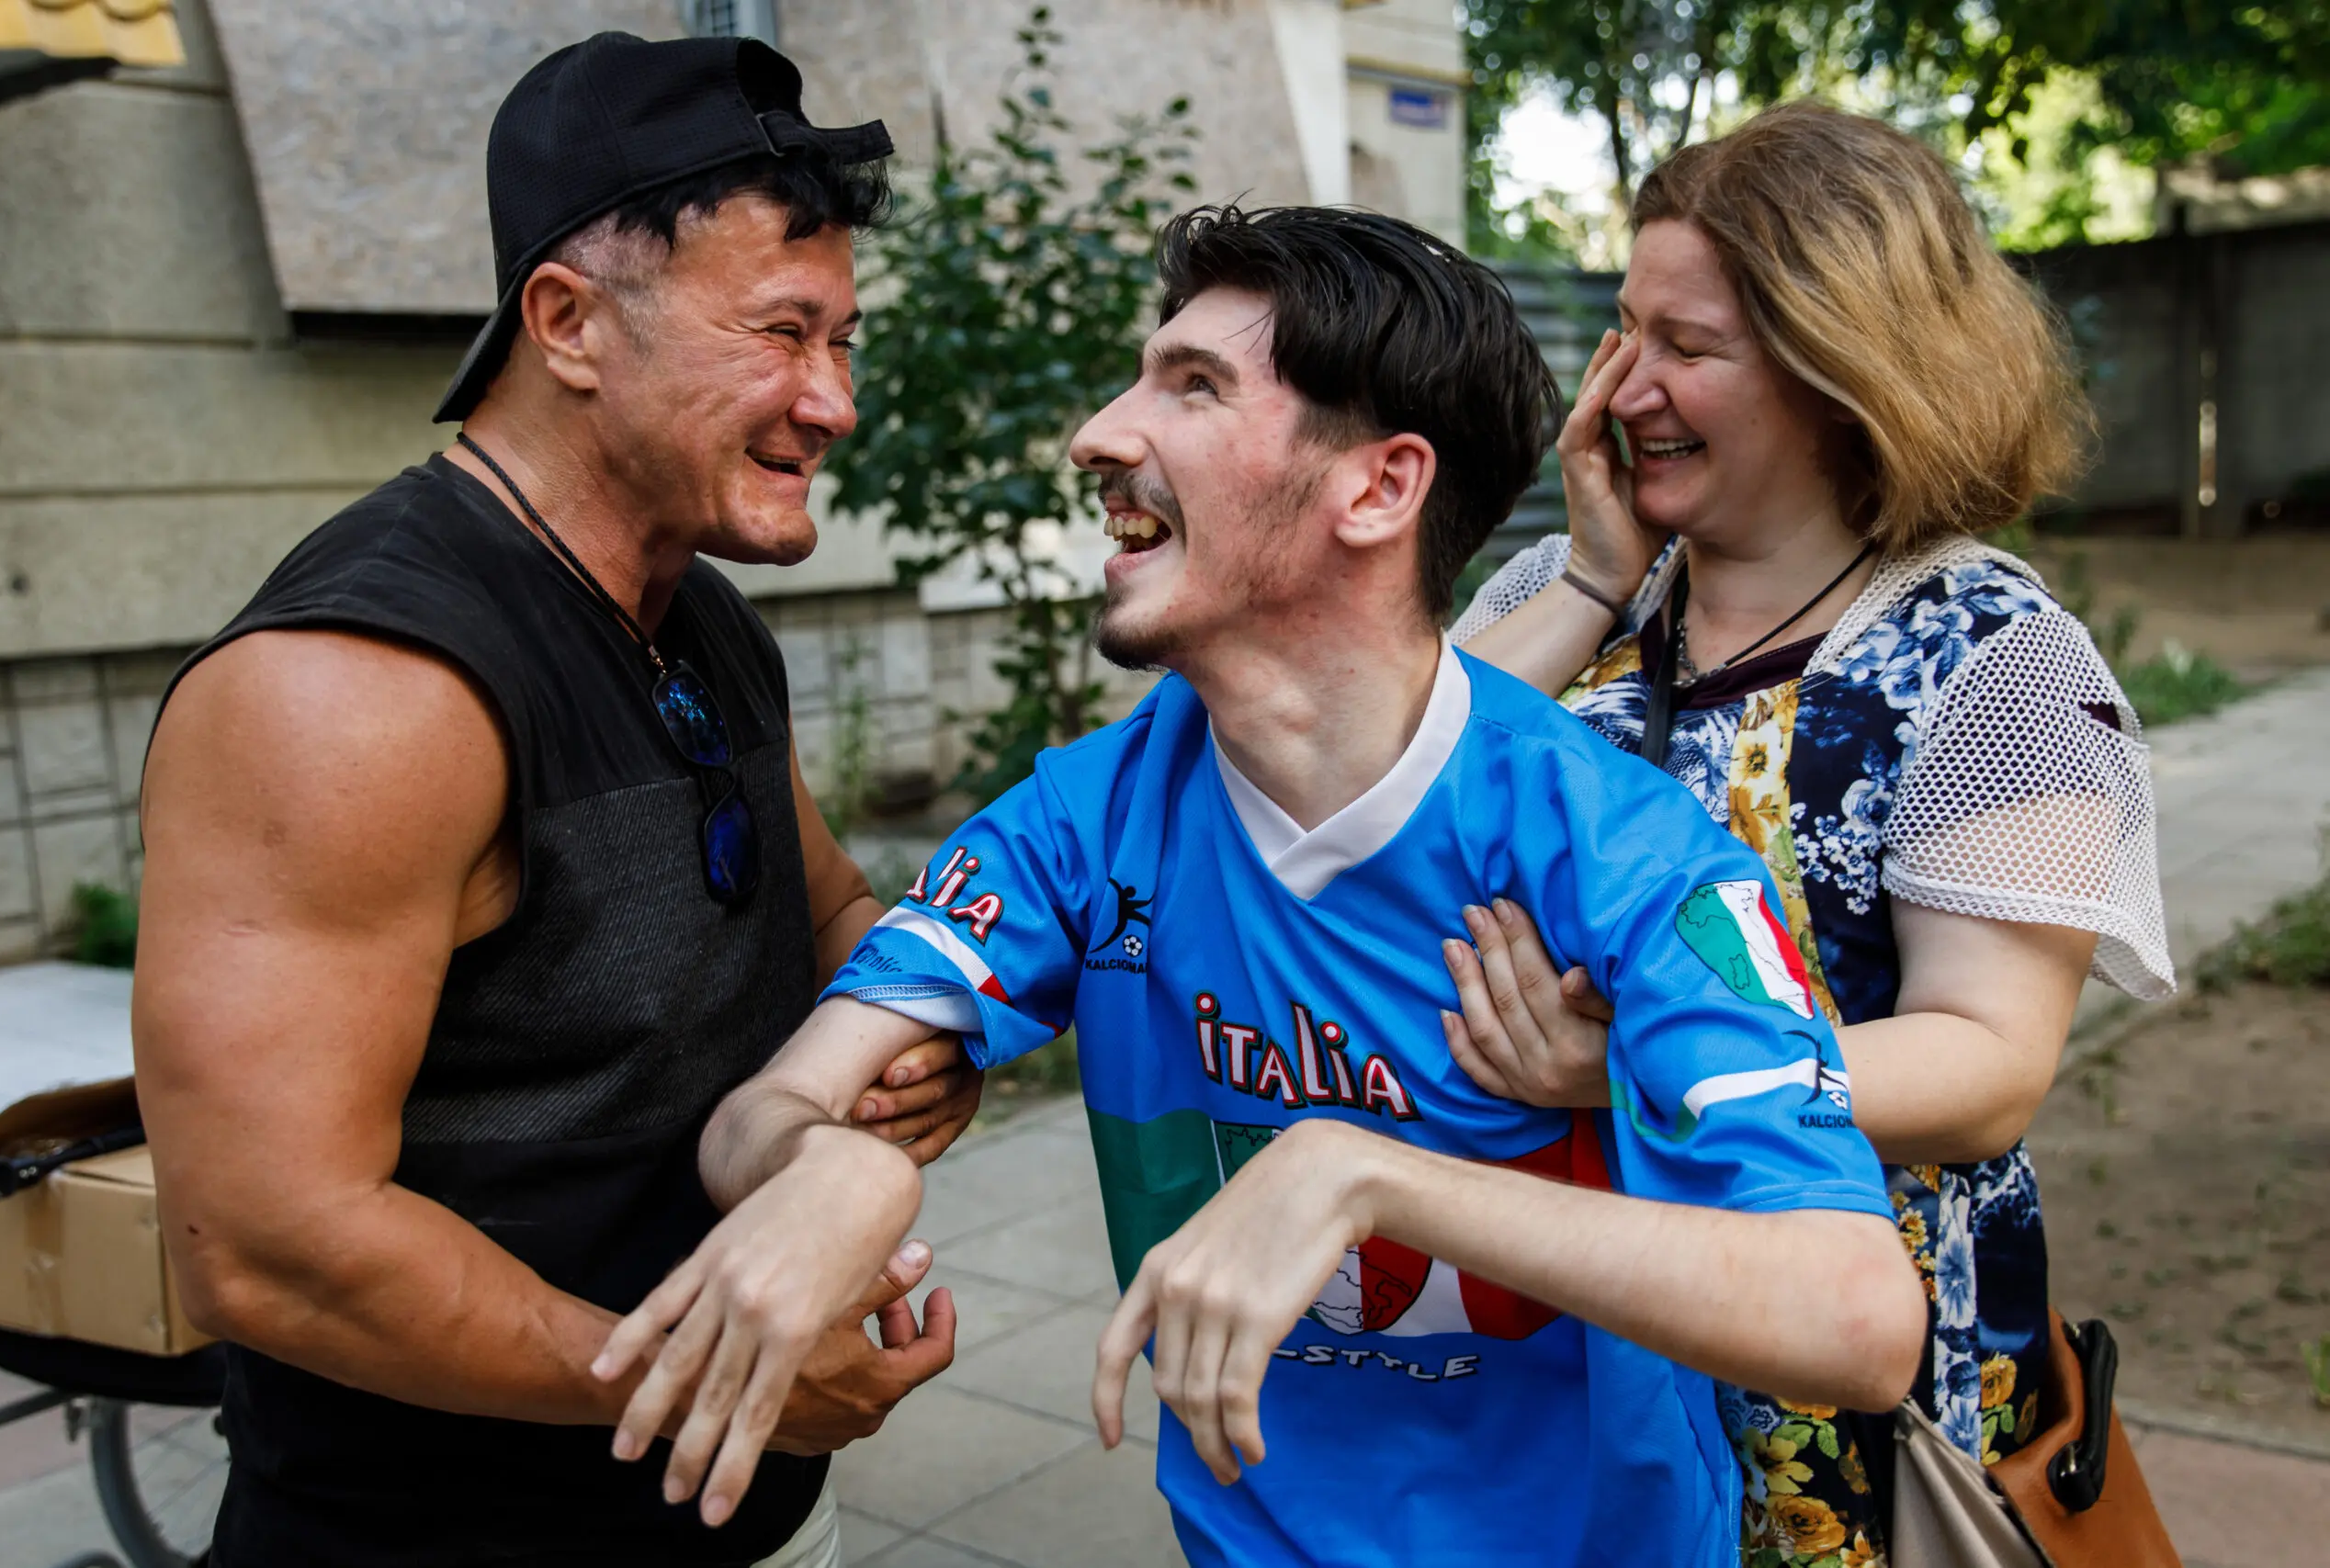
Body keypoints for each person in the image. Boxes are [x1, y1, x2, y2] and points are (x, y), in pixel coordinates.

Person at [582, 205, 1928, 1567]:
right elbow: (767, 1110)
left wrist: (1364, 1178)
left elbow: (1858, 1320)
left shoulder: (1624, 851)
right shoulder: (1081, 821)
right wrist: (828, 1169)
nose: (1101, 436)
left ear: (1378, 488)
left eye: (1195, 385)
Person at [133, 34, 980, 1568]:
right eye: (784, 333)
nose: (834, 401)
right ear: (568, 320)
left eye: (845, 340)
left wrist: (918, 1040)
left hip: (750, 1504)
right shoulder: (360, 688)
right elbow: (267, 1249)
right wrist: (719, 1374)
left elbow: (834, 916)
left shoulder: (705, 614)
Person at [1442, 102, 2173, 1567]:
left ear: (1846, 372)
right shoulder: (1569, 590)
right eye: (1626, 331)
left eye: (1687, 345)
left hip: (1825, 1402)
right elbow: (1389, 794)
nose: (1625, 385)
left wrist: (1641, 1067)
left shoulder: (1992, 656)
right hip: (1542, 1354)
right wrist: (1593, 578)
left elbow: (1985, 1067)